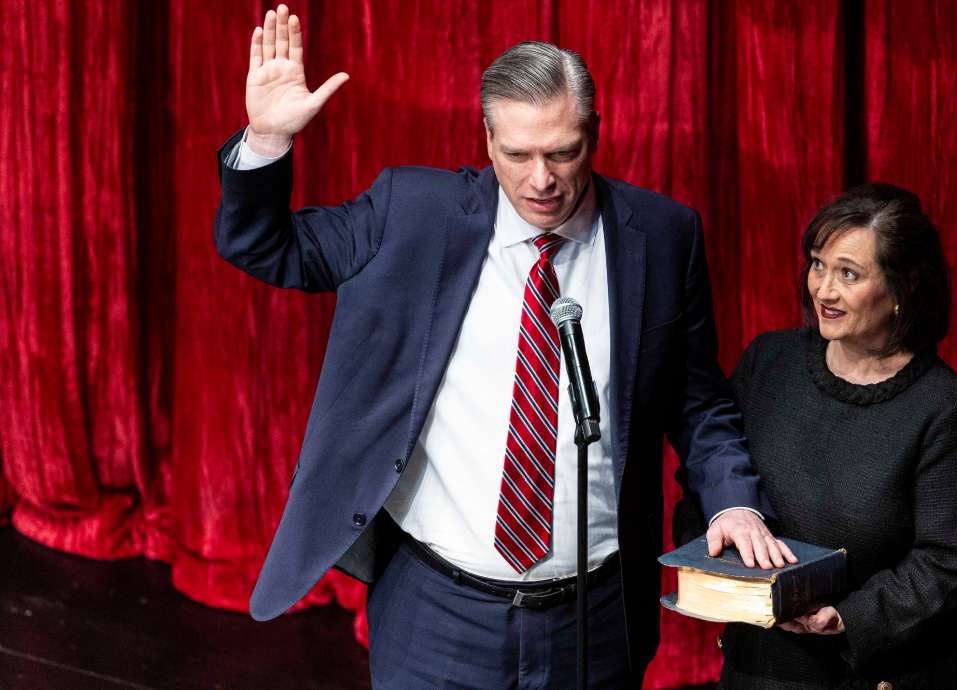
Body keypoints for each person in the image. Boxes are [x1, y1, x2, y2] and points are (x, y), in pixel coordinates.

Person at [215, 5, 793, 688]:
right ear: (487, 140)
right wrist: (266, 140)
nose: (541, 179)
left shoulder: (663, 238)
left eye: (562, 152)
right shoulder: (412, 212)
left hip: (596, 615)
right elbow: (265, 246)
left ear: (595, 135)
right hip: (436, 609)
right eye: (517, 154)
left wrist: (733, 502)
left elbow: (699, 403)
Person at [677, 183, 957, 689]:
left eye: (848, 274)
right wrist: (716, 557)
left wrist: (848, 617)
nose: (823, 290)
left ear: (901, 290)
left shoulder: (946, 411)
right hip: (763, 664)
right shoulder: (769, 362)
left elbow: (944, 563)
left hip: (875, 670)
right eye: (818, 264)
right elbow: (711, 478)